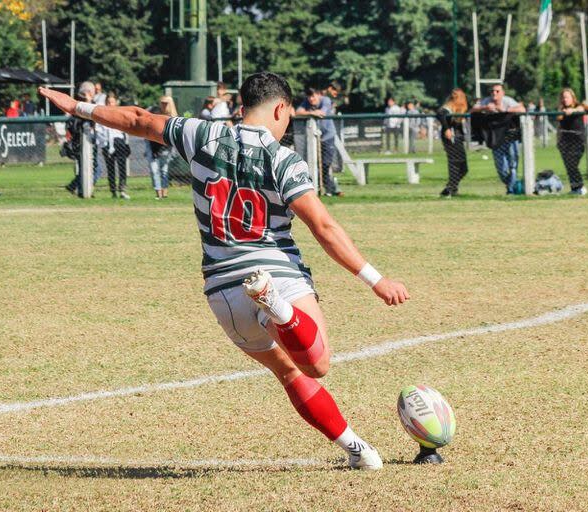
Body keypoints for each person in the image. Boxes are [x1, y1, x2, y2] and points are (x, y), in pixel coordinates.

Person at [40, 71, 409, 470]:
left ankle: (357, 450)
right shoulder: (283, 159)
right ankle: (279, 309)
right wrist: (376, 279)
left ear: (241, 106)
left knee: (289, 374)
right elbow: (323, 227)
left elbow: (136, 120)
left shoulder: (201, 134)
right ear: (281, 109)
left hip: (222, 289)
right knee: (316, 364)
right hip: (274, 270)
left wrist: (77, 106)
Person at [470, 83, 526, 194]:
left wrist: (507, 110)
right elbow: (472, 110)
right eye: (492, 91)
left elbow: (522, 109)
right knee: (501, 167)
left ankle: (511, 190)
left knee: (513, 164)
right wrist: (485, 108)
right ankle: (512, 185)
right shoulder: (487, 101)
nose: (494, 93)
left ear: (502, 93)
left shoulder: (508, 100)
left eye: (497, 91)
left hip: (510, 136)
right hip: (495, 137)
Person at [296, 87, 342, 197]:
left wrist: (309, 112)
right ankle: (327, 188)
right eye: (309, 97)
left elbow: (322, 113)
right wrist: (312, 112)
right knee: (313, 164)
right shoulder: (307, 102)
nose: (311, 99)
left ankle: (331, 187)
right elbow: (298, 112)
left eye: (313, 96)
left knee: (325, 164)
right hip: (314, 139)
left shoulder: (325, 100)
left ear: (318, 94)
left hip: (327, 137)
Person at [64, 81, 96, 197]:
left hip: (91, 141)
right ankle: (79, 188)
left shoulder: (93, 103)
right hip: (80, 142)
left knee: (91, 168)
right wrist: (88, 101)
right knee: (92, 169)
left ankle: (83, 189)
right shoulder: (78, 105)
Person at [556, 88, 588, 195]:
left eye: (567, 97)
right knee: (568, 165)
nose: (565, 99)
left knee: (572, 164)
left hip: (577, 141)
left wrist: (572, 111)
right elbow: (559, 121)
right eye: (563, 97)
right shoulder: (561, 109)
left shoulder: (578, 106)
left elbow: (581, 109)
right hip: (565, 141)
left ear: (572, 98)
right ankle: (575, 188)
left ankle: (581, 187)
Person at [95, 94, 130, 199]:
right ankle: (113, 190)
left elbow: (125, 129)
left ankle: (122, 190)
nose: (111, 104)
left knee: (122, 167)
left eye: (112, 102)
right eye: (109, 102)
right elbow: (99, 130)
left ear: (116, 103)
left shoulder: (120, 114)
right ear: (106, 104)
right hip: (107, 143)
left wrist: (126, 143)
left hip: (119, 141)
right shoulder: (102, 115)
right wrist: (104, 144)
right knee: (110, 168)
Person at [437, 88, 469, 197]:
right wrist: (446, 129)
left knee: (463, 167)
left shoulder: (459, 110)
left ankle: (450, 188)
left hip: (458, 137)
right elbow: (440, 113)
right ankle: (451, 189)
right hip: (451, 137)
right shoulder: (449, 107)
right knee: (455, 163)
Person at [147, 96, 178, 199]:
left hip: (166, 146)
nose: (164, 105)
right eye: (162, 103)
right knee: (154, 169)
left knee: (164, 170)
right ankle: (158, 193)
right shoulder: (155, 112)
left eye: (166, 103)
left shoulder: (173, 117)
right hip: (152, 144)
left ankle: (165, 193)